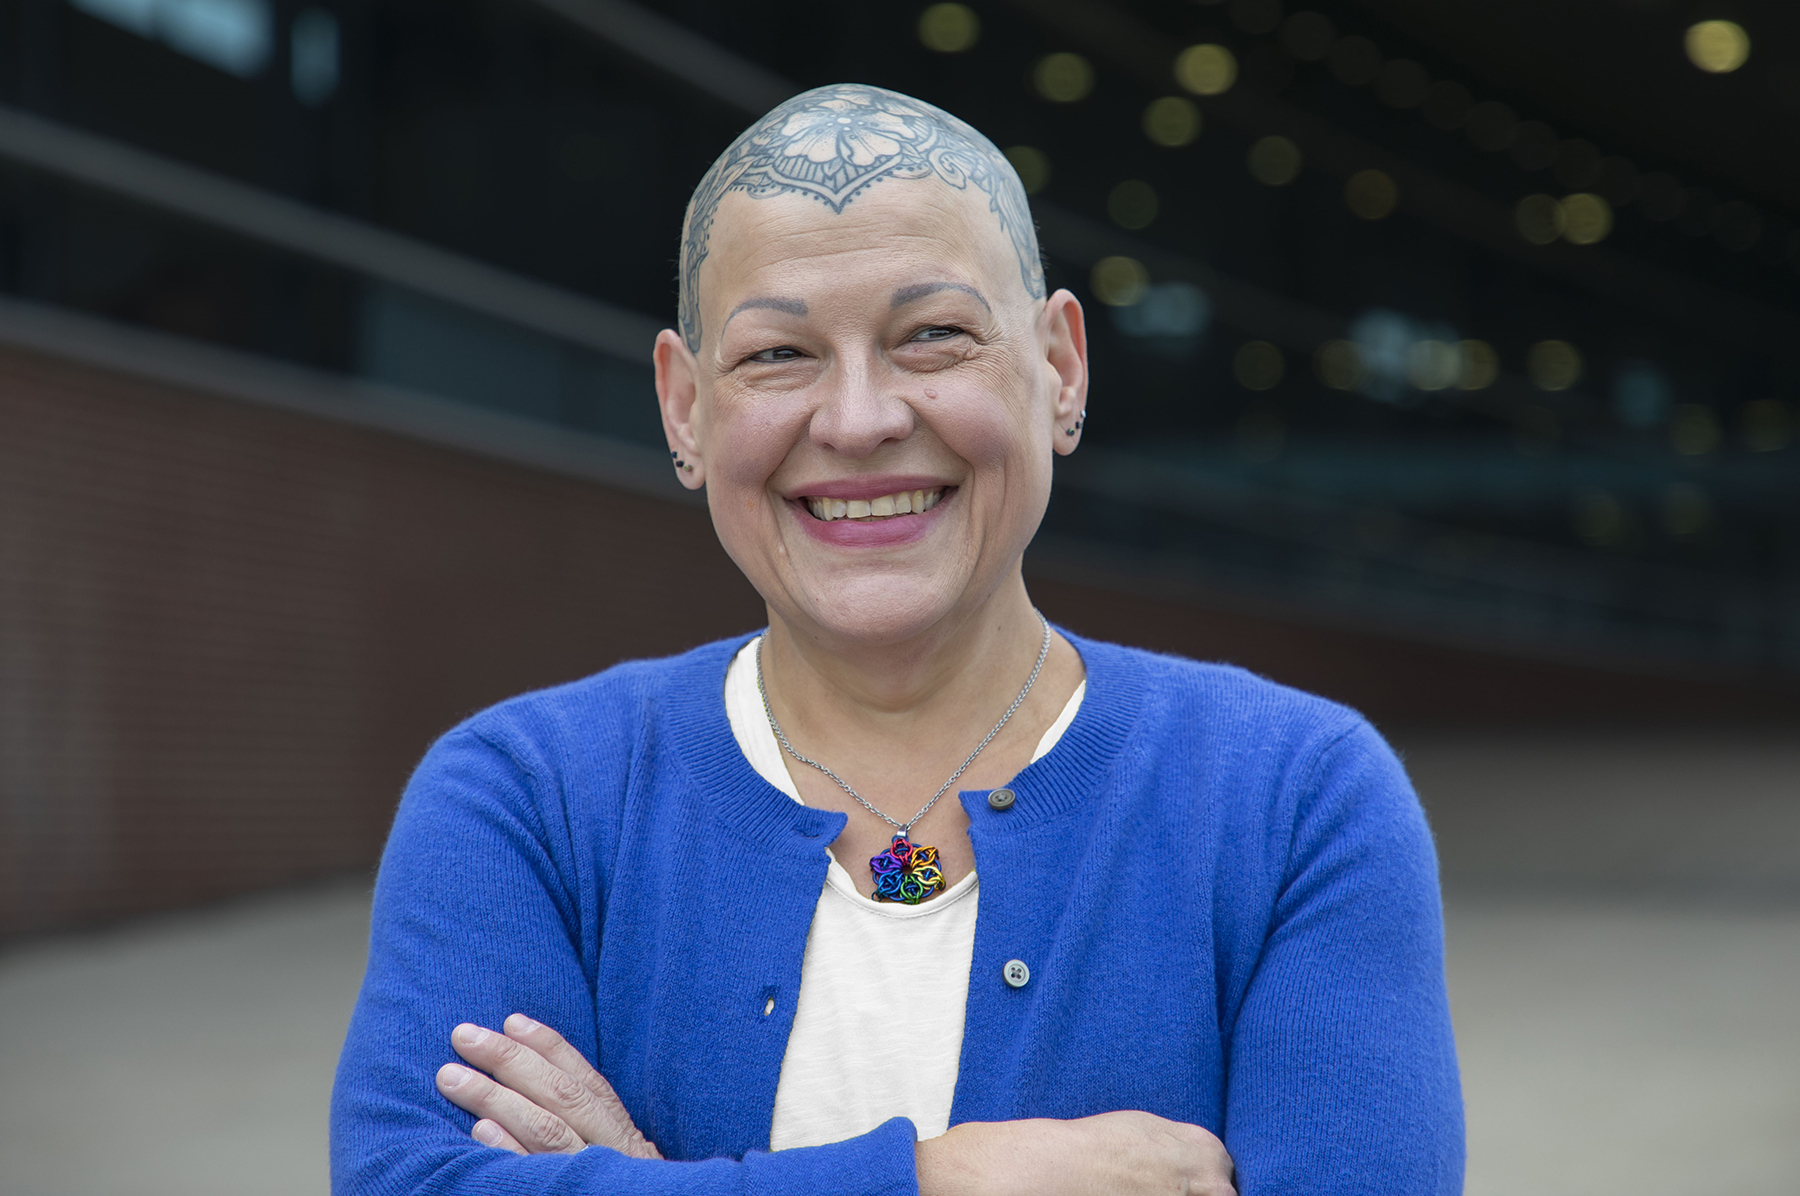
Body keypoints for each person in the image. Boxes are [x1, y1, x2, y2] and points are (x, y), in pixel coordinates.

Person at [330, 83, 1463, 1195]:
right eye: (779, 354)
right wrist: (945, 1180)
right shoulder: (528, 798)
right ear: (685, 407)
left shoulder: (1295, 801)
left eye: (933, 336)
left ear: (1060, 367)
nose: (860, 418)